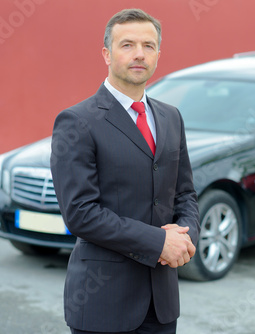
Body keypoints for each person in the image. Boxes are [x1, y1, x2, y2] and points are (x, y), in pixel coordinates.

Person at [50, 8, 200, 334]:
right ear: (107, 53)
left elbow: (185, 193)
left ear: (159, 53)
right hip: (102, 303)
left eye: (148, 45)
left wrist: (187, 239)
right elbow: (80, 214)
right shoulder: (77, 122)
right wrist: (159, 241)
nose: (139, 55)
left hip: (161, 305)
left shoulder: (171, 117)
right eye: (127, 45)